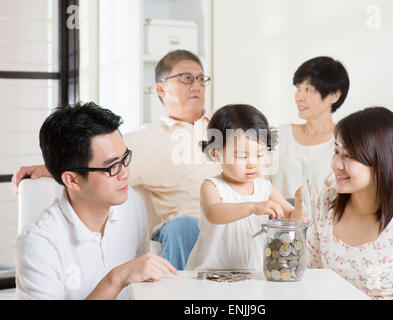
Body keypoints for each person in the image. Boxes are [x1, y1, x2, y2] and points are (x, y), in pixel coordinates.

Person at [11, 50, 221, 270]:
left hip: (231, 219)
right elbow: (93, 159)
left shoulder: (225, 126)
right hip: (185, 227)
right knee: (184, 226)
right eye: (186, 78)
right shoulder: (145, 140)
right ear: (160, 89)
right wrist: (45, 169)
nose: (196, 85)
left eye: (200, 78)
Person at [15, 102, 177, 300]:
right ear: (72, 180)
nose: (125, 173)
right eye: (112, 167)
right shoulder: (38, 243)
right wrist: (115, 279)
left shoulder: (131, 202)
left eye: (125, 158)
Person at [305, 106, 393, 299]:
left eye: (348, 155)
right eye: (336, 151)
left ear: (382, 163)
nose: (335, 163)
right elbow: (311, 282)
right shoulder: (326, 203)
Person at [185, 104, 306, 271]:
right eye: (242, 156)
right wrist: (253, 207)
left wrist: (300, 206)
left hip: (253, 273)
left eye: (260, 155)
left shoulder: (265, 189)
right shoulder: (212, 187)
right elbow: (214, 213)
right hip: (212, 274)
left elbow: (294, 221)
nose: (252, 163)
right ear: (215, 153)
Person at [270, 56, 350, 198]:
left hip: (323, 219)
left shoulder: (345, 143)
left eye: (308, 89)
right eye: (298, 88)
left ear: (334, 95)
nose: (299, 97)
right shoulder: (279, 135)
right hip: (276, 219)